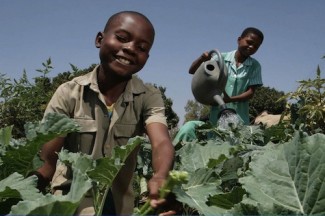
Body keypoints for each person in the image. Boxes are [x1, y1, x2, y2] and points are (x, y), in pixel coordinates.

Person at [34, 11, 175, 215]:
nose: (130, 49)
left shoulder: (148, 96)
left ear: (147, 57)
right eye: (122, 38)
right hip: (71, 204)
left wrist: (161, 175)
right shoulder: (69, 94)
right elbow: (47, 164)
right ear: (99, 40)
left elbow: (161, 142)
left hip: (119, 206)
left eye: (142, 48)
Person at [189, 27, 264, 125]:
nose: (251, 47)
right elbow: (192, 71)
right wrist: (202, 59)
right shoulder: (221, 58)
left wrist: (229, 100)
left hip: (240, 117)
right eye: (249, 42)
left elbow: (250, 92)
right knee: (216, 138)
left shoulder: (255, 66)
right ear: (239, 40)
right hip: (217, 114)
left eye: (256, 46)